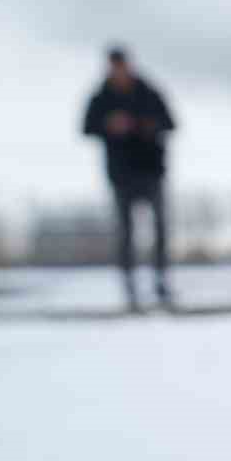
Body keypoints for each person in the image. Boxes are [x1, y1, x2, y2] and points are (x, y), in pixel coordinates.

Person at [81, 46, 177, 310]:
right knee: (126, 231)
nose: (119, 71)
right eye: (115, 67)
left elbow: (171, 122)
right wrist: (109, 125)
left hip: (151, 170)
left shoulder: (148, 91)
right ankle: (129, 285)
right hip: (121, 175)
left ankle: (161, 280)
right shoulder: (102, 97)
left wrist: (151, 125)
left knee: (159, 229)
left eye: (122, 66)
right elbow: (86, 127)